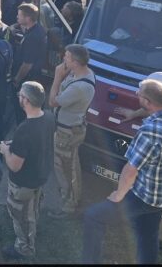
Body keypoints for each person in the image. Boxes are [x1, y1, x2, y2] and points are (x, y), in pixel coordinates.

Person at [82, 79, 162, 264]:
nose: (136, 94)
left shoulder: (150, 131)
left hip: (145, 196)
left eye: (140, 93)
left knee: (93, 217)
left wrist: (118, 195)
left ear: (147, 102)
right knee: (148, 235)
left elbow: (130, 170)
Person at [0, 81, 55, 260]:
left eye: (20, 96)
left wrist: (6, 150)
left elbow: (15, 165)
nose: (19, 98)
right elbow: (37, 144)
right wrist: (14, 146)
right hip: (40, 175)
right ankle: (33, 230)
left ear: (26, 100)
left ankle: (24, 248)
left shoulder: (24, 130)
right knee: (33, 209)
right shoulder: (48, 116)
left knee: (21, 216)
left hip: (23, 183)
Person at [47, 44, 96, 219]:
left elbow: (53, 101)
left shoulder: (79, 87)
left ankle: (68, 206)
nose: (63, 59)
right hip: (71, 127)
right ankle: (72, 198)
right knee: (71, 165)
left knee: (65, 169)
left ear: (75, 62)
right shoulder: (79, 75)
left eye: (67, 57)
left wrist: (57, 77)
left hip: (66, 132)